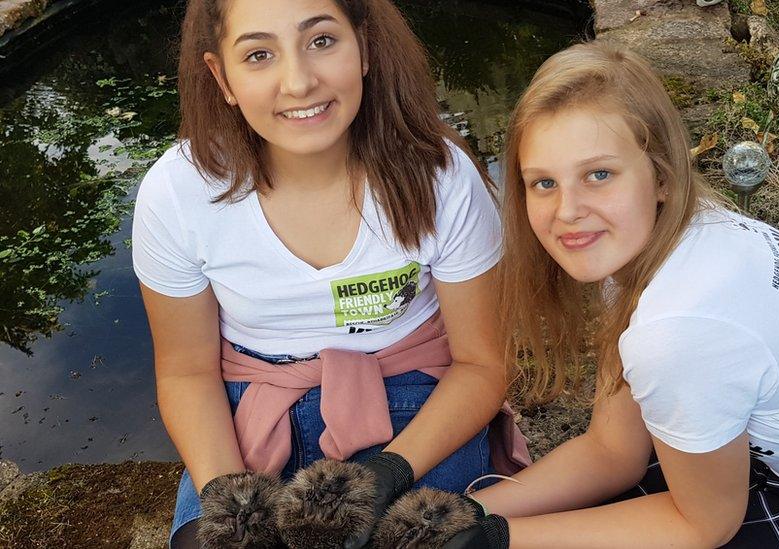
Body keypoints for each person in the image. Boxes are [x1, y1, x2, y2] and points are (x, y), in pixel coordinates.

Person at [435, 41, 779, 548]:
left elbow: (702, 527)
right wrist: (462, 518)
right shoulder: (667, 241)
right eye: (543, 183)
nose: (567, 211)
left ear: (662, 177)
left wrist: (498, 539)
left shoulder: (678, 326)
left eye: (598, 174)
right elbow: (613, 451)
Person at [131, 0, 528, 547]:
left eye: (321, 41)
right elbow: (186, 374)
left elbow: (483, 363)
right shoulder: (178, 192)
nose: (298, 82)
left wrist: (389, 474)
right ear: (221, 77)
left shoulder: (441, 176)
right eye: (259, 54)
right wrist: (230, 501)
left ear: (363, 47)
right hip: (254, 404)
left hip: (417, 402)